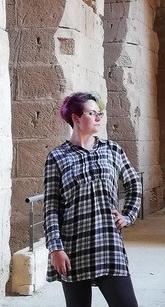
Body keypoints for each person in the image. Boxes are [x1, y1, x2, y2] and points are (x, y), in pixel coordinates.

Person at [43, 91, 142, 307]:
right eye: (92, 113)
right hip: (73, 248)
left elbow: (134, 182)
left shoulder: (112, 150)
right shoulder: (57, 157)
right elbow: (51, 208)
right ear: (76, 118)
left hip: (108, 243)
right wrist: (55, 248)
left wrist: (128, 215)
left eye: (100, 113)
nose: (98, 118)